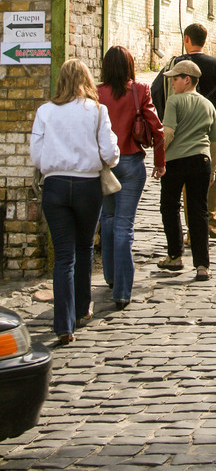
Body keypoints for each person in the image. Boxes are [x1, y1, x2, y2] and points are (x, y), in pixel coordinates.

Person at [31, 59, 120, 344]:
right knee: (84, 249)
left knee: (64, 256)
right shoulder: (96, 110)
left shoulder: (45, 111)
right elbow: (109, 152)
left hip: (55, 186)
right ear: (87, 80)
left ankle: (63, 323)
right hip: (86, 185)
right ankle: (82, 309)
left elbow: (36, 155)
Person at [151, 23, 216, 240]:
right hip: (210, 123)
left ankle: (193, 229)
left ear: (186, 40)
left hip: (180, 123)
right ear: (205, 39)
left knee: (185, 171)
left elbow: (156, 91)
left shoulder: (176, 64)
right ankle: (210, 222)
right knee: (213, 170)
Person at [97, 46, 165, 310]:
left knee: (109, 219)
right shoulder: (139, 90)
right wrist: (160, 164)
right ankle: (123, 291)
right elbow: (157, 130)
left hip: (104, 166)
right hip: (131, 163)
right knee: (124, 226)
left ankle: (112, 277)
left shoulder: (97, 93)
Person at [157, 60, 216, 281]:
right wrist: (212, 168)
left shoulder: (174, 101)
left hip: (176, 161)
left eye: (175, 78)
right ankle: (202, 265)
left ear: (187, 80)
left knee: (170, 206)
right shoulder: (207, 104)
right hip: (201, 161)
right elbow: (215, 140)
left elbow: (168, 133)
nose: (172, 83)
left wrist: (159, 157)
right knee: (199, 211)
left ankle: (175, 255)